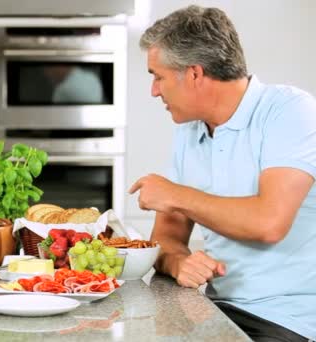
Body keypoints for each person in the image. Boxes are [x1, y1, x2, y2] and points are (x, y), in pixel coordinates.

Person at [129, 5, 316, 341]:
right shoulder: (190, 130)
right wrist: (178, 262)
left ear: (195, 74)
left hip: (286, 319)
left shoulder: (290, 111)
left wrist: (174, 194)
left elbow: (269, 223)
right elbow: (167, 238)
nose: (154, 91)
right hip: (216, 311)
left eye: (158, 76)